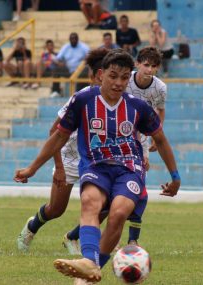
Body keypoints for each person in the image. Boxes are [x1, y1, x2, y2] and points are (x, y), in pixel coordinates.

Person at [14, 49, 180, 283]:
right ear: (101, 75)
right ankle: (88, 264)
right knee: (86, 203)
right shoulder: (82, 99)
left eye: (124, 78)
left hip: (129, 168)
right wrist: (33, 168)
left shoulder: (137, 106)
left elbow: (160, 139)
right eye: (113, 76)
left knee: (118, 213)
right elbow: (58, 135)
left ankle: (90, 267)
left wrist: (175, 176)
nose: (119, 83)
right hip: (94, 165)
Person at [16, 48, 109, 254]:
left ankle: (72, 237)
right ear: (93, 76)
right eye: (99, 75)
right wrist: (58, 166)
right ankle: (31, 227)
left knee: (106, 204)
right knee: (56, 209)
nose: (105, 80)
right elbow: (54, 131)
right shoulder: (80, 98)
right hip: (68, 158)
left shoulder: (118, 100)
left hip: (95, 161)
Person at [51, 33, 90, 97]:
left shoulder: (84, 47)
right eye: (72, 39)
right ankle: (56, 91)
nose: (73, 40)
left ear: (78, 39)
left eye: (75, 38)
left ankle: (79, 93)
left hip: (80, 71)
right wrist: (59, 63)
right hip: (68, 70)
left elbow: (90, 56)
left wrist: (86, 59)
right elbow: (57, 58)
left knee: (86, 69)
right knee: (57, 69)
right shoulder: (66, 47)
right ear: (69, 39)